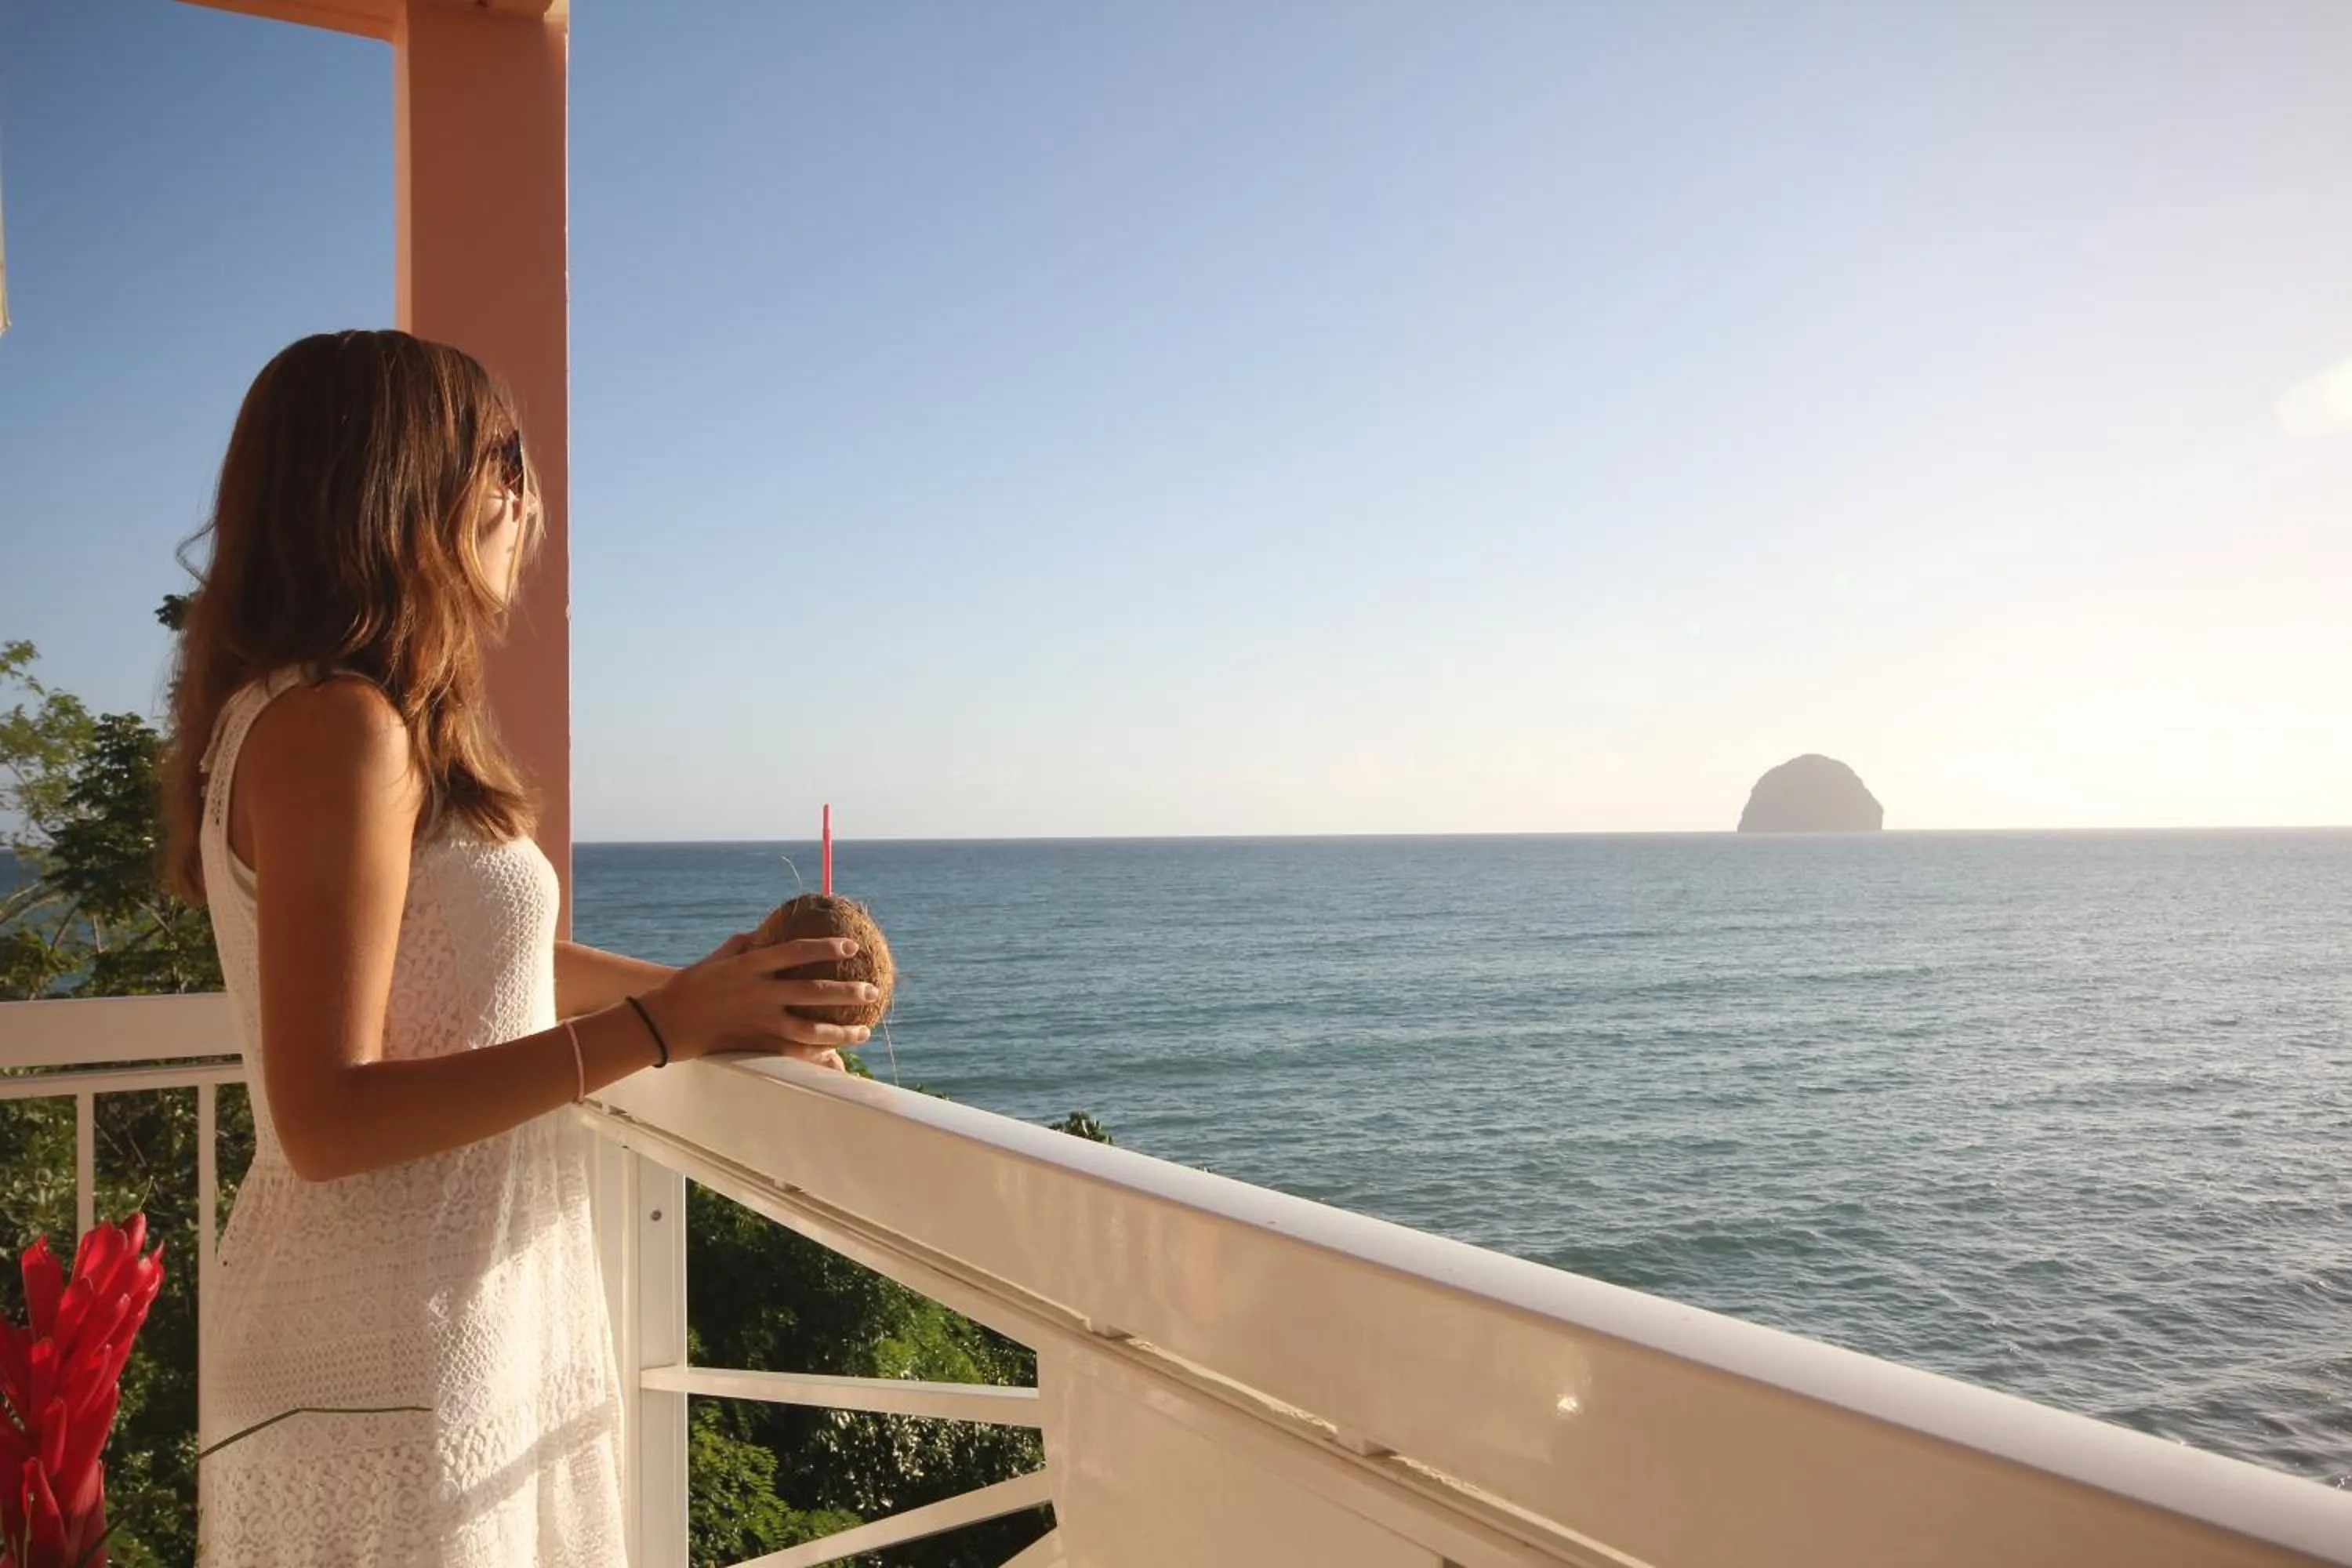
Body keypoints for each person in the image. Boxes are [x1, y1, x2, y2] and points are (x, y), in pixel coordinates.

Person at [161, 329, 871, 1566]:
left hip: (448, 1330)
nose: (522, 499)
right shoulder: (338, 727)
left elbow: (468, 967)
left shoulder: (334, 716)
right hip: (393, 1357)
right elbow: (324, 1118)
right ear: (408, 485)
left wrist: (712, 1000)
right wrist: (660, 1031)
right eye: (501, 461)